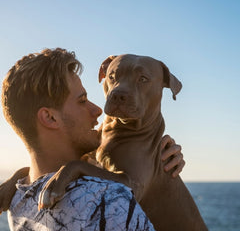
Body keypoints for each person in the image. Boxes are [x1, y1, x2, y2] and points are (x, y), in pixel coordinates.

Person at [0, 48, 185, 230]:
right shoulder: (110, 203)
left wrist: (22, 177)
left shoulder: (19, 202)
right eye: (82, 101)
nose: (97, 109)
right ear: (50, 118)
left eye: (142, 80)